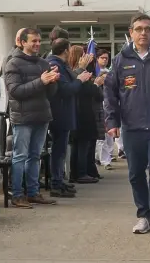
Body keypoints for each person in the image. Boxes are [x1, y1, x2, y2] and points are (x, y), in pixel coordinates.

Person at [104, 13, 150, 239]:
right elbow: (110, 93)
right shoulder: (121, 59)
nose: (143, 33)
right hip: (131, 127)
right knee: (135, 174)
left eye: (147, 29)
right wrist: (112, 121)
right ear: (130, 32)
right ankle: (144, 215)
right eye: (139, 29)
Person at [4, 28, 61, 208]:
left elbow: (50, 94)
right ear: (22, 42)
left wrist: (53, 81)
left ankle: (34, 192)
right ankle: (17, 194)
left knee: (35, 156)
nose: (37, 44)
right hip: (22, 118)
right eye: (33, 41)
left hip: (42, 115)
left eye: (38, 41)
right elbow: (15, 92)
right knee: (20, 156)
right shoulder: (12, 64)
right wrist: (41, 81)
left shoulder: (43, 63)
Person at [47, 39, 92, 197]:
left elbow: (71, 79)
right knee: (58, 151)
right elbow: (66, 89)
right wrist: (80, 80)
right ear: (65, 51)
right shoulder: (55, 64)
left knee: (61, 151)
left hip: (63, 112)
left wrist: (80, 71)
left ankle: (59, 180)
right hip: (60, 113)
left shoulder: (62, 64)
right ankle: (56, 183)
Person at [69, 45, 106, 184]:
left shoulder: (76, 72)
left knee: (81, 145)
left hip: (81, 111)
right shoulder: (77, 73)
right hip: (82, 112)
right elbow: (87, 91)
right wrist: (96, 84)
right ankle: (81, 173)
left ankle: (82, 171)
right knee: (82, 145)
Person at [94, 50, 115, 170]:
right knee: (101, 135)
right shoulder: (94, 72)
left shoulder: (110, 72)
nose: (104, 60)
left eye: (106, 58)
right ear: (97, 59)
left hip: (108, 104)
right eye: (102, 58)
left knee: (109, 133)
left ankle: (106, 158)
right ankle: (102, 158)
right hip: (98, 105)